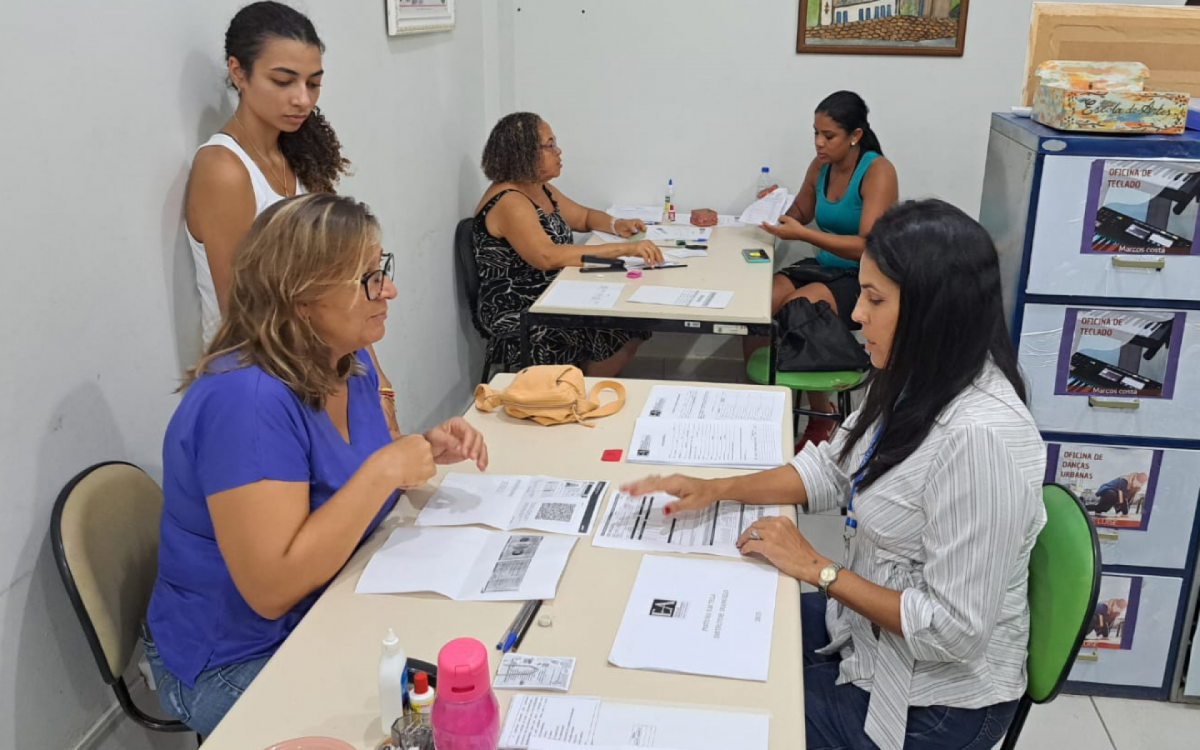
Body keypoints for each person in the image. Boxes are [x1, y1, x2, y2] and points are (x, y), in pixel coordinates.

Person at [625, 200, 1045, 750]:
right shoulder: (914, 375)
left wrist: (818, 569)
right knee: (699, 636)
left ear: (931, 310)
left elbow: (954, 631)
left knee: (726, 718)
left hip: (931, 701)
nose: (855, 316)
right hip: (863, 638)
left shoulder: (981, 438)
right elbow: (832, 467)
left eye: (874, 299)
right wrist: (718, 488)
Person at [144, 194, 490, 736]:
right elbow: (271, 588)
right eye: (368, 280)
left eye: (384, 271)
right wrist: (384, 470)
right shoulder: (247, 401)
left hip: (329, 602)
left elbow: (346, 483)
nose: (389, 290)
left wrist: (421, 449)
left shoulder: (347, 365)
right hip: (237, 655)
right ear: (302, 298)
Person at [185, 2, 400, 435]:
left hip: (324, 368)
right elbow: (244, 313)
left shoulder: (300, 161)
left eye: (313, 83)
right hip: (265, 383)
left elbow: (349, 286)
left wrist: (378, 385)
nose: (302, 99)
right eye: (283, 81)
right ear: (238, 71)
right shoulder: (224, 169)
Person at [751, 91, 899, 449]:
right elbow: (800, 213)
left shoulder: (877, 171)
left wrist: (804, 234)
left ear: (855, 135)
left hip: (862, 277)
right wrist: (773, 207)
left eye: (828, 136)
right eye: (815, 133)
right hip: (824, 267)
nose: (819, 143)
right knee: (755, 306)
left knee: (797, 310)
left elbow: (869, 244)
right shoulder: (820, 167)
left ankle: (820, 418)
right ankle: (763, 405)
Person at [472, 112, 665, 375]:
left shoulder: (539, 188)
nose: (558, 151)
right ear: (524, 153)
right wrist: (624, 249)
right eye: (549, 145)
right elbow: (548, 256)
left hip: (553, 289)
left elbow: (583, 217)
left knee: (628, 315)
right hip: (520, 305)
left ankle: (581, 387)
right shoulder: (510, 201)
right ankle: (575, 394)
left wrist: (615, 224)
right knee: (620, 323)